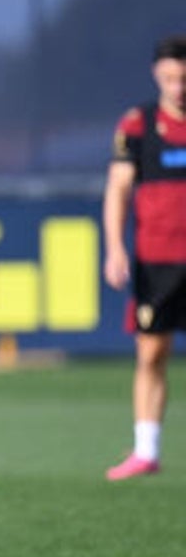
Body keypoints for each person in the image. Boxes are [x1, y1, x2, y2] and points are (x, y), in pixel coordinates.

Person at [102, 35, 186, 481]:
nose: (178, 88)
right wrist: (115, 247)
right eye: (170, 78)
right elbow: (119, 189)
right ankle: (146, 450)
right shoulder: (139, 125)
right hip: (157, 261)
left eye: (184, 79)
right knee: (151, 353)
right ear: (158, 75)